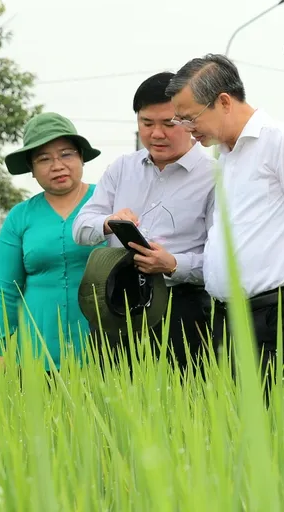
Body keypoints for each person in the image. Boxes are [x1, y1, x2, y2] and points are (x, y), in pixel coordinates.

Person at [166, 54, 284, 385]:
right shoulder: (226, 156)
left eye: (189, 119)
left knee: (279, 428)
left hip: (277, 319)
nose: (187, 130)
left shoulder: (282, 143)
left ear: (224, 101)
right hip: (228, 320)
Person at [73, 72, 215, 373]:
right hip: (116, 303)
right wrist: (110, 222)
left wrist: (174, 263)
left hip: (181, 308)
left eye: (169, 123)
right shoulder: (121, 168)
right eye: (146, 123)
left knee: (185, 405)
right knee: (112, 401)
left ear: (189, 121)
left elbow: (223, 260)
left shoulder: (214, 177)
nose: (156, 134)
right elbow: (81, 227)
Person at [0, 113, 102, 375]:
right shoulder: (20, 217)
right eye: (44, 159)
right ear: (32, 169)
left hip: (105, 348)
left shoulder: (106, 202)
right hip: (37, 350)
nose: (57, 165)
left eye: (66, 154)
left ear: (81, 157)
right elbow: (6, 290)